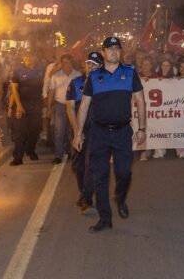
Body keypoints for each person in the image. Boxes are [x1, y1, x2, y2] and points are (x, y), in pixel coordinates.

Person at [71, 36, 146, 232]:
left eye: (117, 49)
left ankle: (120, 198)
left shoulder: (130, 73)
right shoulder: (94, 77)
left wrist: (142, 129)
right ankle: (105, 218)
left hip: (122, 133)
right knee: (100, 177)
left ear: (121, 52)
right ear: (103, 52)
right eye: (109, 49)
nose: (113, 51)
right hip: (99, 134)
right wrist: (78, 133)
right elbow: (84, 105)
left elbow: (140, 101)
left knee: (124, 173)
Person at [68, 52, 101, 214]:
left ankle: (87, 199)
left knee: (90, 165)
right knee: (78, 166)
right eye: (89, 64)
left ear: (101, 66)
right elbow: (70, 108)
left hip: (96, 132)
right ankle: (83, 194)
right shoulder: (76, 83)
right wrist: (77, 131)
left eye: (95, 64)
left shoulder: (105, 84)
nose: (91, 67)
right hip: (78, 131)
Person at [8, 49, 45, 165]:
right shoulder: (18, 71)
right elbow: (14, 89)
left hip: (36, 105)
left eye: (30, 56)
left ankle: (30, 150)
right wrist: (17, 106)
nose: (27, 59)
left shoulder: (41, 69)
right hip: (21, 104)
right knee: (19, 132)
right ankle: (18, 157)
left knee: (35, 130)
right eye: (25, 56)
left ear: (35, 57)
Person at [46, 54, 80, 164]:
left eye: (69, 62)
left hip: (73, 106)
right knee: (59, 131)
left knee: (72, 131)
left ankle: (73, 153)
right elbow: (51, 93)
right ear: (61, 64)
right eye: (65, 63)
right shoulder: (56, 76)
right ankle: (58, 155)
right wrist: (49, 108)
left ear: (72, 63)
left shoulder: (78, 75)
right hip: (60, 105)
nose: (67, 65)